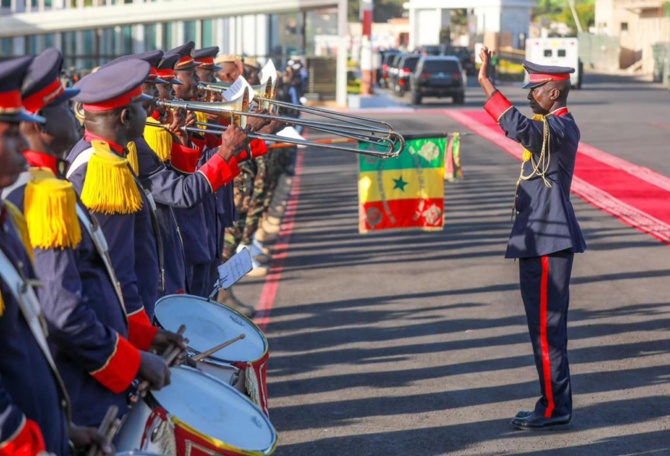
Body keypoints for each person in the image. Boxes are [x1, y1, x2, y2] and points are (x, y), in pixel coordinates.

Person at [0, 55, 109, 456]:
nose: (21, 146)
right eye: (9, 135)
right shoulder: (31, 202)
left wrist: (64, 428)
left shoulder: (7, 220)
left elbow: (28, 343)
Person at [477, 46, 586, 430]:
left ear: (553, 92)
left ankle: (556, 408)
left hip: (547, 240)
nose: (530, 95)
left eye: (535, 89)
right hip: (540, 239)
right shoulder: (553, 127)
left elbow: (518, 126)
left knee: (547, 329)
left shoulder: (559, 127)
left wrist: (486, 84)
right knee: (543, 329)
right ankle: (551, 402)